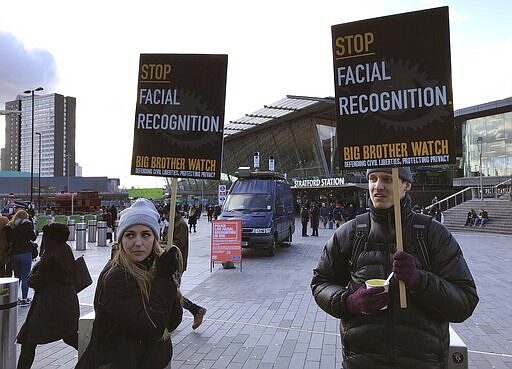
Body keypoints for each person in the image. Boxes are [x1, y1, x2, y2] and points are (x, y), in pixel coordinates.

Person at [311, 167, 479, 369]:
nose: (378, 186)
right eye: (373, 179)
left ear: (406, 185)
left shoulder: (432, 234)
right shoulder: (350, 233)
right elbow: (321, 282)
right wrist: (349, 302)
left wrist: (420, 281)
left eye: (387, 179)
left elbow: (465, 303)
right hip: (362, 362)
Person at [75, 198, 183, 369]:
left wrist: (169, 277)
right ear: (121, 239)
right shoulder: (118, 277)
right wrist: (163, 280)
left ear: (155, 238)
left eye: (145, 234)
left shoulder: (152, 268)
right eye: (130, 234)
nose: (138, 243)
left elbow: (172, 322)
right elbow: (152, 329)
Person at [16, 223, 79, 369]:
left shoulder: (50, 256)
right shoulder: (66, 251)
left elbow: (34, 281)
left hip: (49, 309)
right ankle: (94, 357)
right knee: (69, 336)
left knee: (28, 341)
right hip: (66, 304)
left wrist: (34, 270)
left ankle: (94, 357)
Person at [162, 204, 207, 329]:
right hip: (170, 262)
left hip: (175, 264)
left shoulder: (180, 224)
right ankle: (194, 311)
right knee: (170, 293)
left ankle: (196, 310)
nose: (164, 216)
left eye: (166, 213)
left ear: (173, 212)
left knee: (172, 293)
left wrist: (161, 244)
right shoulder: (172, 223)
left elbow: (177, 244)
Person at [4, 210, 37, 306]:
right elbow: (33, 237)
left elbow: (9, 239)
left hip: (14, 253)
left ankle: (14, 298)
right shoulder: (27, 225)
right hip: (26, 253)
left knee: (17, 276)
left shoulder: (12, 226)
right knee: (25, 276)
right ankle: (24, 299)